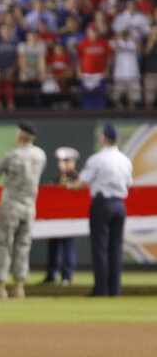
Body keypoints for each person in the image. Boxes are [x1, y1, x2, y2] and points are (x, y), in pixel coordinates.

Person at [0, 121, 46, 299]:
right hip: (30, 206)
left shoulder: (13, 155)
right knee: (23, 245)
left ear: (21, 136)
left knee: (3, 244)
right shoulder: (40, 155)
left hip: (11, 205)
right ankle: (19, 287)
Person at [71, 124, 133, 296]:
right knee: (116, 247)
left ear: (104, 138)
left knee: (100, 248)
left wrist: (69, 186)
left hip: (102, 204)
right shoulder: (125, 159)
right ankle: (115, 289)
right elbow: (129, 183)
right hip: (120, 204)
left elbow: (82, 182)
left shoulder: (97, 159)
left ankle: (101, 289)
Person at [42, 147, 80, 285]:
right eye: (60, 161)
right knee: (53, 246)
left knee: (68, 246)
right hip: (55, 218)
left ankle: (67, 276)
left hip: (69, 218)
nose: (61, 164)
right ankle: (51, 275)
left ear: (72, 162)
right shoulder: (58, 177)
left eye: (65, 161)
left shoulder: (76, 178)